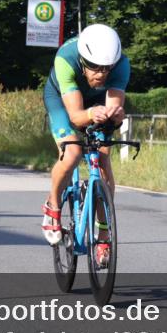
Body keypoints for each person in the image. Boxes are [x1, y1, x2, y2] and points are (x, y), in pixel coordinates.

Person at [41, 24, 129, 268]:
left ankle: (103, 234)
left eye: (106, 68)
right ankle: (53, 205)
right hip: (62, 100)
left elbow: (113, 108)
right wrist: (91, 113)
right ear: (82, 59)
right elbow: (77, 117)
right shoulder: (65, 59)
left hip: (97, 102)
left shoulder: (121, 65)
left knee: (102, 159)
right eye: (94, 67)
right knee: (72, 152)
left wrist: (115, 115)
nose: (101, 74)